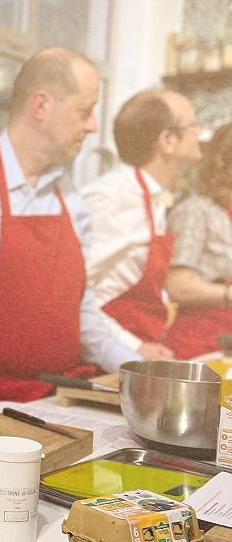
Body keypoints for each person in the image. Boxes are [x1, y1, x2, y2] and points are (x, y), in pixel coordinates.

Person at [0, 48, 140, 406]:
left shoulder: (70, 198)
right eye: (85, 111)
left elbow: (81, 311)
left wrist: (139, 369)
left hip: (59, 397)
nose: (93, 126)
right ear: (40, 106)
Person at [82, 90, 202, 360]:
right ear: (168, 141)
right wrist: (131, 347)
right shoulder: (114, 198)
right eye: (192, 124)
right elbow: (74, 295)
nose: (200, 133)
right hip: (102, 360)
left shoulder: (153, 197)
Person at [164, 122, 232, 359]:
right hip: (199, 346)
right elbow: (177, 286)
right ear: (224, 163)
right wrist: (228, 294)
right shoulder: (196, 211)